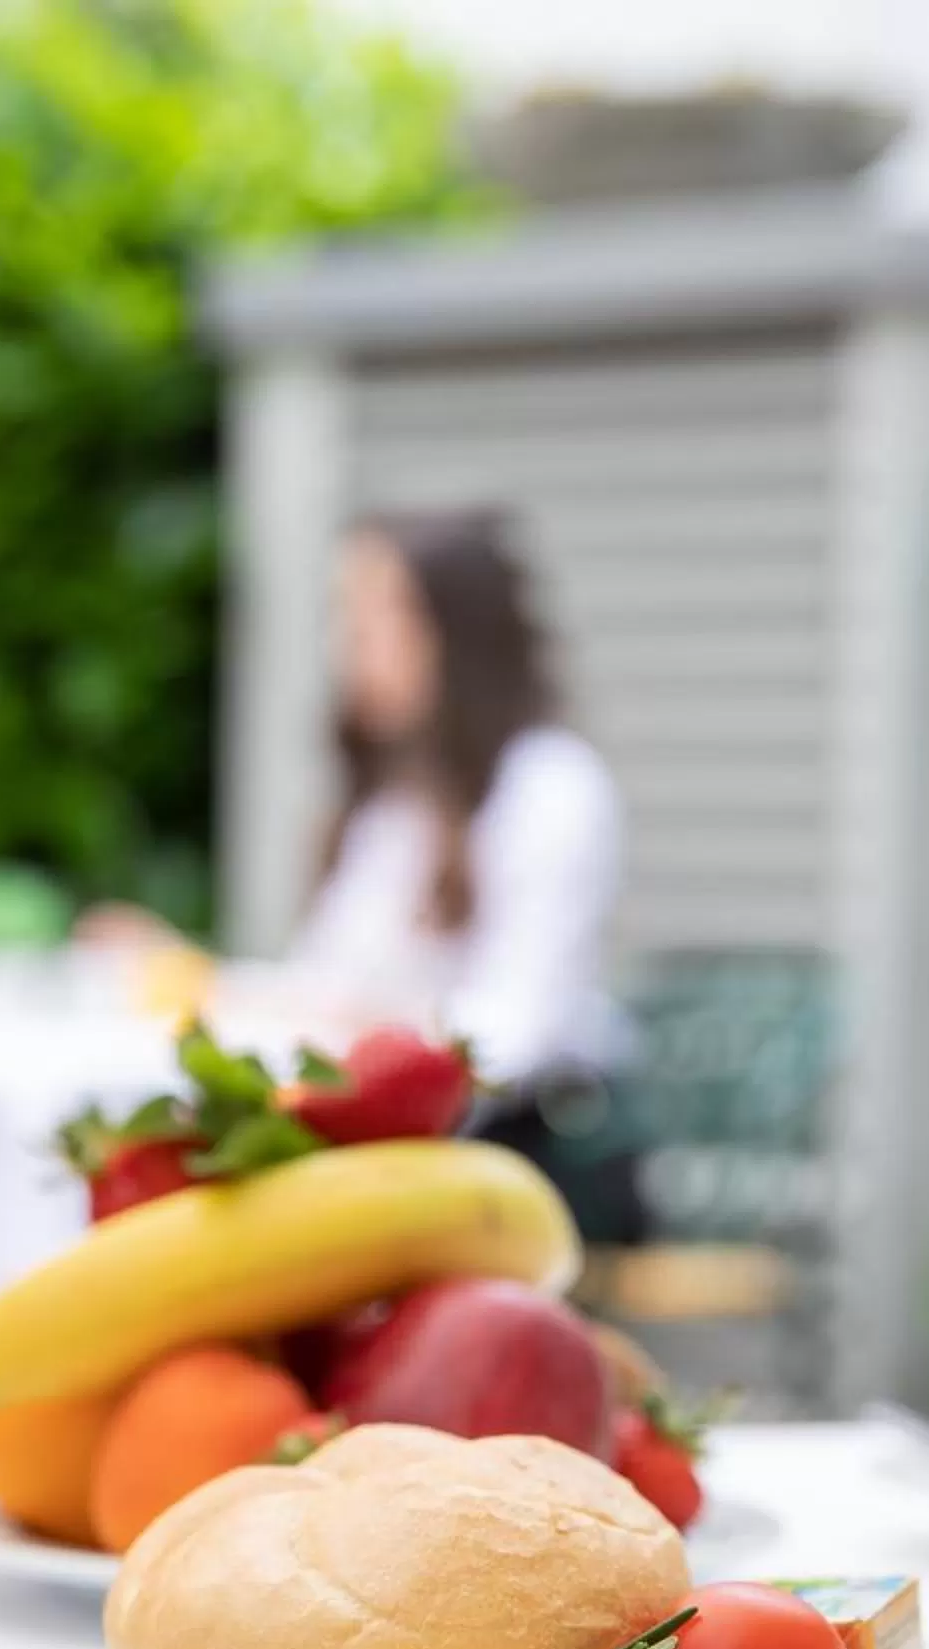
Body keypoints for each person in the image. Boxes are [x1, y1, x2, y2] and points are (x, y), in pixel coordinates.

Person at [89, 509, 639, 1234]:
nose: (352, 644)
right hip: (391, 1143)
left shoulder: (549, 787)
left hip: (526, 1154)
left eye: (380, 615)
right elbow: (327, 986)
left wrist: (381, 1033)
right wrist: (201, 980)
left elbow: (514, 1038)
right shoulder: (394, 802)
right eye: (347, 614)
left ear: (459, 632)